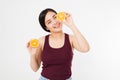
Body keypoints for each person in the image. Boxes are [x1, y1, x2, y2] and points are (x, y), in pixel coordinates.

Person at [26, 8, 90, 80]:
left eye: (55, 17)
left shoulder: (70, 39)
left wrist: (72, 25)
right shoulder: (41, 41)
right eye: (49, 22)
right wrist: (32, 55)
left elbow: (86, 49)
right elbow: (35, 69)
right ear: (46, 27)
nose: (55, 22)